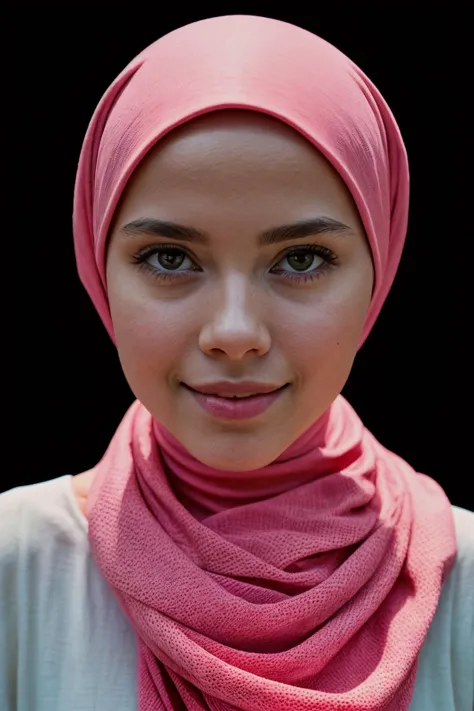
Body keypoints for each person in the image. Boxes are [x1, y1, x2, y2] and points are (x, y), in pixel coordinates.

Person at [1, 14, 473, 711]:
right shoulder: (17, 570)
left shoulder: (461, 584)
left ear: (380, 272)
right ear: (98, 271)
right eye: (169, 258)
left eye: (301, 259)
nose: (234, 333)